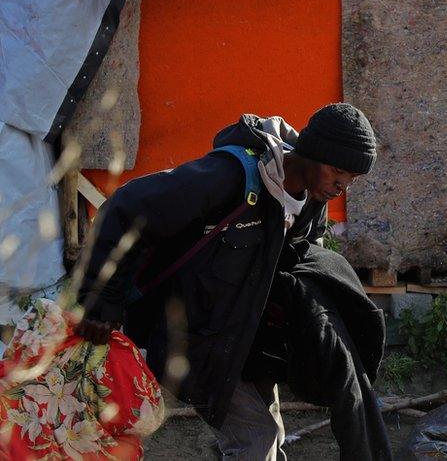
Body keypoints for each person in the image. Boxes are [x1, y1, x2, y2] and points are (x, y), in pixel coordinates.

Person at [76, 103, 393, 460]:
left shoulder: (310, 205)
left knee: (268, 433)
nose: (342, 186)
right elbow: (127, 207)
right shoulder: (230, 178)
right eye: (337, 171)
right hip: (192, 335)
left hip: (245, 339)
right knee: (255, 438)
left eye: (352, 178)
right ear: (313, 152)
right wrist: (100, 301)